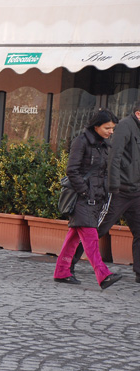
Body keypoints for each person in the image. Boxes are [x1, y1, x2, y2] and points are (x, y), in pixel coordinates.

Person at [69, 103, 140, 284]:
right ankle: (68, 264)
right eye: (107, 128)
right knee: (97, 229)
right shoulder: (125, 126)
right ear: (138, 113)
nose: (110, 131)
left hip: (136, 191)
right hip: (119, 190)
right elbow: (114, 156)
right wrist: (113, 187)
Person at [53, 109, 122, 289]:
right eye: (108, 128)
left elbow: (103, 172)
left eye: (112, 128)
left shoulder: (104, 145)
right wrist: (85, 191)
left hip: (96, 198)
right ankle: (103, 274)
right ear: (96, 126)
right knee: (90, 238)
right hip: (82, 199)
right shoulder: (81, 141)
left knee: (73, 238)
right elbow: (72, 170)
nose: (111, 131)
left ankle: (62, 271)